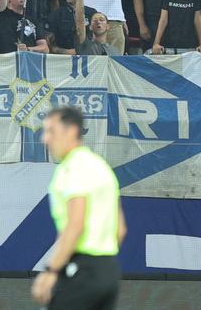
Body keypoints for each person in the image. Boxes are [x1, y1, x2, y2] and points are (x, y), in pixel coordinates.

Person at [33, 107, 124, 309]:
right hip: (109, 272)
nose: (44, 139)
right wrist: (101, 267)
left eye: (51, 131)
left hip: (83, 271)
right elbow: (120, 230)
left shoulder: (73, 168)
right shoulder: (102, 167)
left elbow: (75, 224)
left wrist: (51, 271)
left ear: (72, 131)